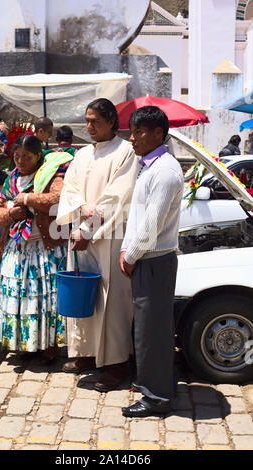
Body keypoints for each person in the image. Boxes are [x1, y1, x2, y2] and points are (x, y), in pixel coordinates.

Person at [56, 98, 140, 392]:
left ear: (112, 123)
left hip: (110, 236)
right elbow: (70, 189)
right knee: (83, 295)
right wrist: (81, 209)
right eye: (87, 120)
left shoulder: (126, 152)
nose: (89, 126)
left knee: (111, 299)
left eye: (96, 121)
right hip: (83, 235)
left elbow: (117, 197)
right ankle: (88, 354)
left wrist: (86, 228)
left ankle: (116, 364)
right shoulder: (81, 155)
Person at [119, 106, 184, 417]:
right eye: (132, 132)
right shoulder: (152, 165)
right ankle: (154, 384)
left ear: (159, 133)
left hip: (153, 260)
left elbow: (151, 225)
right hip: (148, 259)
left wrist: (130, 256)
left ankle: (156, 398)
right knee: (148, 329)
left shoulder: (165, 171)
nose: (132, 139)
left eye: (139, 132)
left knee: (152, 332)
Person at [0, 134, 73, 361]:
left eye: (26, 156)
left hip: (43, 250)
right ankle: (24, 343)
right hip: (18, 250)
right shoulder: (12, 179)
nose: (20, 161)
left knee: (46, 300)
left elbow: (58, 199)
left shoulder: (51, 174)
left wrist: (27, 199)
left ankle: (48, 346)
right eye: (16, 156)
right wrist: (10, 213)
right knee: (20, 297)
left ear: (38, 156)